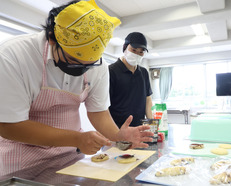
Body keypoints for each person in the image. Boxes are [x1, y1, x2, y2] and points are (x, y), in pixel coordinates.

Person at [0, 0, 153, 182]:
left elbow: (98, 112)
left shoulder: (100, 67)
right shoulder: (13, 57)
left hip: (68, 157)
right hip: (20, 161)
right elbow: (9, 125)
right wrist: (77, 138)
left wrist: (117, 135)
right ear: (51, 39)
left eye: (88, 65)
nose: (81, 69)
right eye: (73, 61)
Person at [108, 32, 153, 128]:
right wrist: (112, 132)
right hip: (117, 131)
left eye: (141, 52)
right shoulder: (111, 71)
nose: (137, 54)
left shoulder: (144, 73)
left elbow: (148, 99)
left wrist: (152, 125)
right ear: (125, 48)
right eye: (133, 50)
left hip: (139, 129)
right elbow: (104, 106)